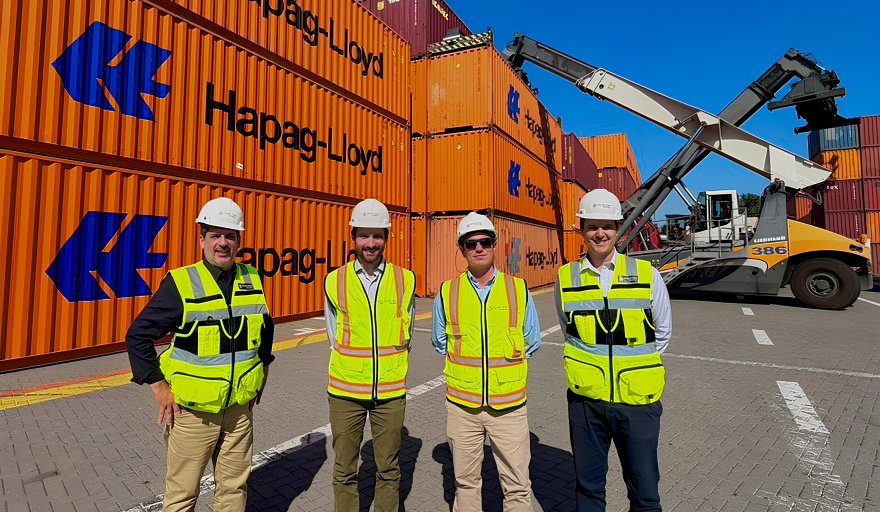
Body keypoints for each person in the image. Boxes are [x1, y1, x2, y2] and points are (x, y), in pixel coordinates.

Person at [125, 197, 274, 512]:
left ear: (239, 241)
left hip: (239, 412)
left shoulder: (252, 277)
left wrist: (263, 371)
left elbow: (265, 328)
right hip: (192, 415)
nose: (223, 243)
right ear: (202, 239)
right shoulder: (181, 283)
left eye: (230, 235)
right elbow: (138, 336)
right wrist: (159, 387)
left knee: (234, 490)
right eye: (215, 235)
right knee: (182, 496)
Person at [555, 189, 672, 512]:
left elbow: (662, 334)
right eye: (592, 226)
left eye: (607, 226)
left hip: (637, 401)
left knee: (645, 493)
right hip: (586, 401)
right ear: (582, 230)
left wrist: (631, 369)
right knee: (589, 489)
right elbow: (569, 331)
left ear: (618, 228)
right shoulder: (566, 278)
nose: (600, 233)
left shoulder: (647, 275)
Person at [432, 212, 541, 512]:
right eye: (471, 243)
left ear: (494, 244)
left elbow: (532, 339)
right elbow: (440, 341)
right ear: (462, 249)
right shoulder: (448, 292)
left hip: (509, 408)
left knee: (517, 487)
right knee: (466, 484)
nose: (479, 247)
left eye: (485, 241)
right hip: (462, 408)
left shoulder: (517, 289)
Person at [323, 198, 416, 512]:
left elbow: (407, 334)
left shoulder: (405, 279)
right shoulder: (334, 280)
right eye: (364, 235)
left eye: (377, 235)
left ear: (387, 237)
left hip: (390, 394)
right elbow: (333, 336)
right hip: (345, 393)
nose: (371, 243)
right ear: (353, 237)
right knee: (344, 470)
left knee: (389, 470)